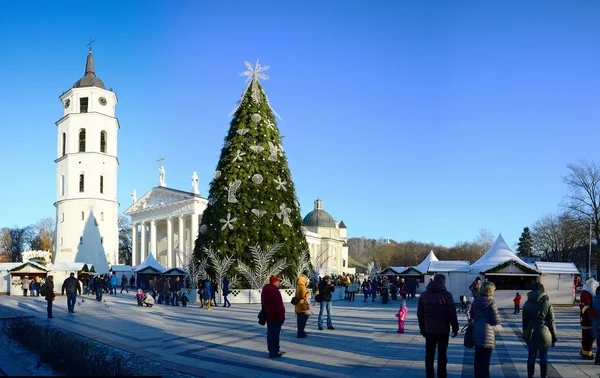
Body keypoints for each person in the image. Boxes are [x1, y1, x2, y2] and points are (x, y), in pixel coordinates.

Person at [417, 273, 459, 378]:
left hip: (429, 330)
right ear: (443, 282)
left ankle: (429, 375)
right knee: (442, 355)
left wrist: (422, 329)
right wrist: (455, 328)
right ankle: (442, 375)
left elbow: (420, 314)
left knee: (429, 355)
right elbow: (452, 313)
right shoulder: (447, 295)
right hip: (443, 330)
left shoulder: (424, 295)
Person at [523, 282, 557, 377]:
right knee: (543, 357)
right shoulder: (547, 302)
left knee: (531, 356)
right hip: (544, 332)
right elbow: (551, 321)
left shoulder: (527, 303)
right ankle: (543, 376)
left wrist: (526, 334)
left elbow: (524, 322)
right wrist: (554, 337)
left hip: (531, 332)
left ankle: (530, 376)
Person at [470, 281, 501, 378]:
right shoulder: (492, 302)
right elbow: (496, 321)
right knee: (485, 362)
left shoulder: (475, 301)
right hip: (488, 335)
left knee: (477, 360)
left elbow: (472, 315)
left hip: (476, 332)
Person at [261, 276, 285, 358]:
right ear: (275, 282)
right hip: (276, 316)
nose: (279, 283)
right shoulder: (275, 291)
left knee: (270, 334)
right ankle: (275, 351)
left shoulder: (265, 290)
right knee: (275, 334)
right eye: (278, 282)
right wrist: (282, 315)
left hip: (269, 315)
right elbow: (279, 305)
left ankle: (272, 350)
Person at [580, 277, 599, 360]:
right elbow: (585, 305)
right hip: (587, 319)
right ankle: (586, 353)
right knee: (588, 336)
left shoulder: (588, 292)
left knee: (589, 336)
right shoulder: (586, 293)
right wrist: (593, 313)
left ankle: (586, 351)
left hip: (589, 318)